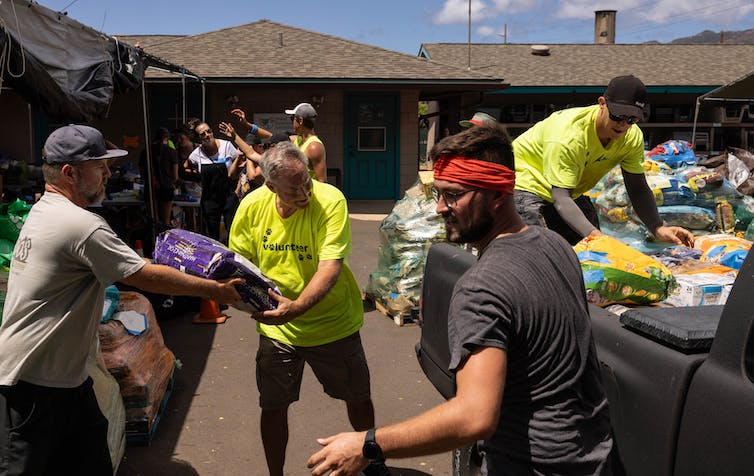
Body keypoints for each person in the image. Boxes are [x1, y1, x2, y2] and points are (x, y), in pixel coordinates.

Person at [307, 124, 617, 476]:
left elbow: (474, 416)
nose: (440, 208)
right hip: (591, 457)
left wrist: (367, 444)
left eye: (453, 195)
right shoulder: (556, 246)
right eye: (438, 193)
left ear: (498, 194)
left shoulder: (481, 287)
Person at [0, 125, 242, 476]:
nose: (109, 174)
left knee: (92, 462)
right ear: (70, 172)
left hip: (67, 379)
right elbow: (144, 275)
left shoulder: (44, 209)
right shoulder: (80, 225)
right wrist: (215, 291)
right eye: (100, 166)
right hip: (34, 384)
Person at [228, 142, 387, 476]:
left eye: (307, 183)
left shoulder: (331, 200)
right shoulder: (251, 207)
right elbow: (238, 265)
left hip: (332, 323)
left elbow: (330, 267)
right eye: (293, 188)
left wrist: (297, 307)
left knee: (357, 397)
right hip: (277, 329)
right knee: (272, 405)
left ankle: (372, 461)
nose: (304, 193)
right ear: (270, 186)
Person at [512, 74, 695, 246]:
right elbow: (560, 197)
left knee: (591, 253)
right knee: (536, 248)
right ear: (602, 103)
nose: (623, 124)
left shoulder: (631, 138)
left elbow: (637, 188)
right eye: (618, 115)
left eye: (632, 119)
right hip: (524, 184)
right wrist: (597, 237)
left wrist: (658, 227)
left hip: (566, 192)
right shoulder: (570, 135)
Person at [187, 121, 239, 241]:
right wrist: (196, 178)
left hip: (229, 198)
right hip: (209, 201)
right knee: (211, 238)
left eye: (209, 131)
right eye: (202, 134)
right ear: (198, 138)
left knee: (233, 232)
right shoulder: (195, 155)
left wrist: (238, 187)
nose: (207, 135)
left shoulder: (227, 146)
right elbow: (184, 168)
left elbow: (240, 165)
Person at [285, 102, 327, 182]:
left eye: (292, 118)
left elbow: (322, 181)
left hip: (308, 193)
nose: (291, 122)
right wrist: (254, 129)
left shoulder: (314, 147)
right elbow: (275, 138)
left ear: (300, 121)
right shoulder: (298, 140)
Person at [151, 126, 180, 226]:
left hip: (151, 189)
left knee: (153, 220)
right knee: (165, 222)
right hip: (166, 187)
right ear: (166, 138)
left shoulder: (147, 151)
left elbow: (143, 173)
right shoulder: (172, 152)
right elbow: (175, 176)